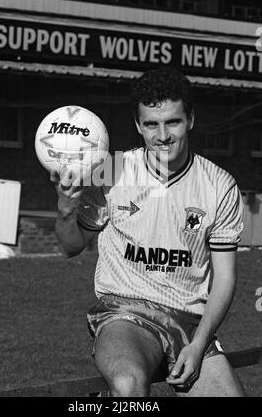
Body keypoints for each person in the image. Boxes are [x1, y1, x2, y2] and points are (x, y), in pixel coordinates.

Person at [52, 67, 245, 397]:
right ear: (138, 125)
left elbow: (224, 280)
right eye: (152, 124)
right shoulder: (112, 169)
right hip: (124, 313)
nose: (163, 135)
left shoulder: (220, 185)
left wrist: (199, 346)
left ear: (191, 120)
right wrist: (66, 209)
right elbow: (71, 247)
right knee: (128, 386)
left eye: (173, 122)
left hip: (189, 324)